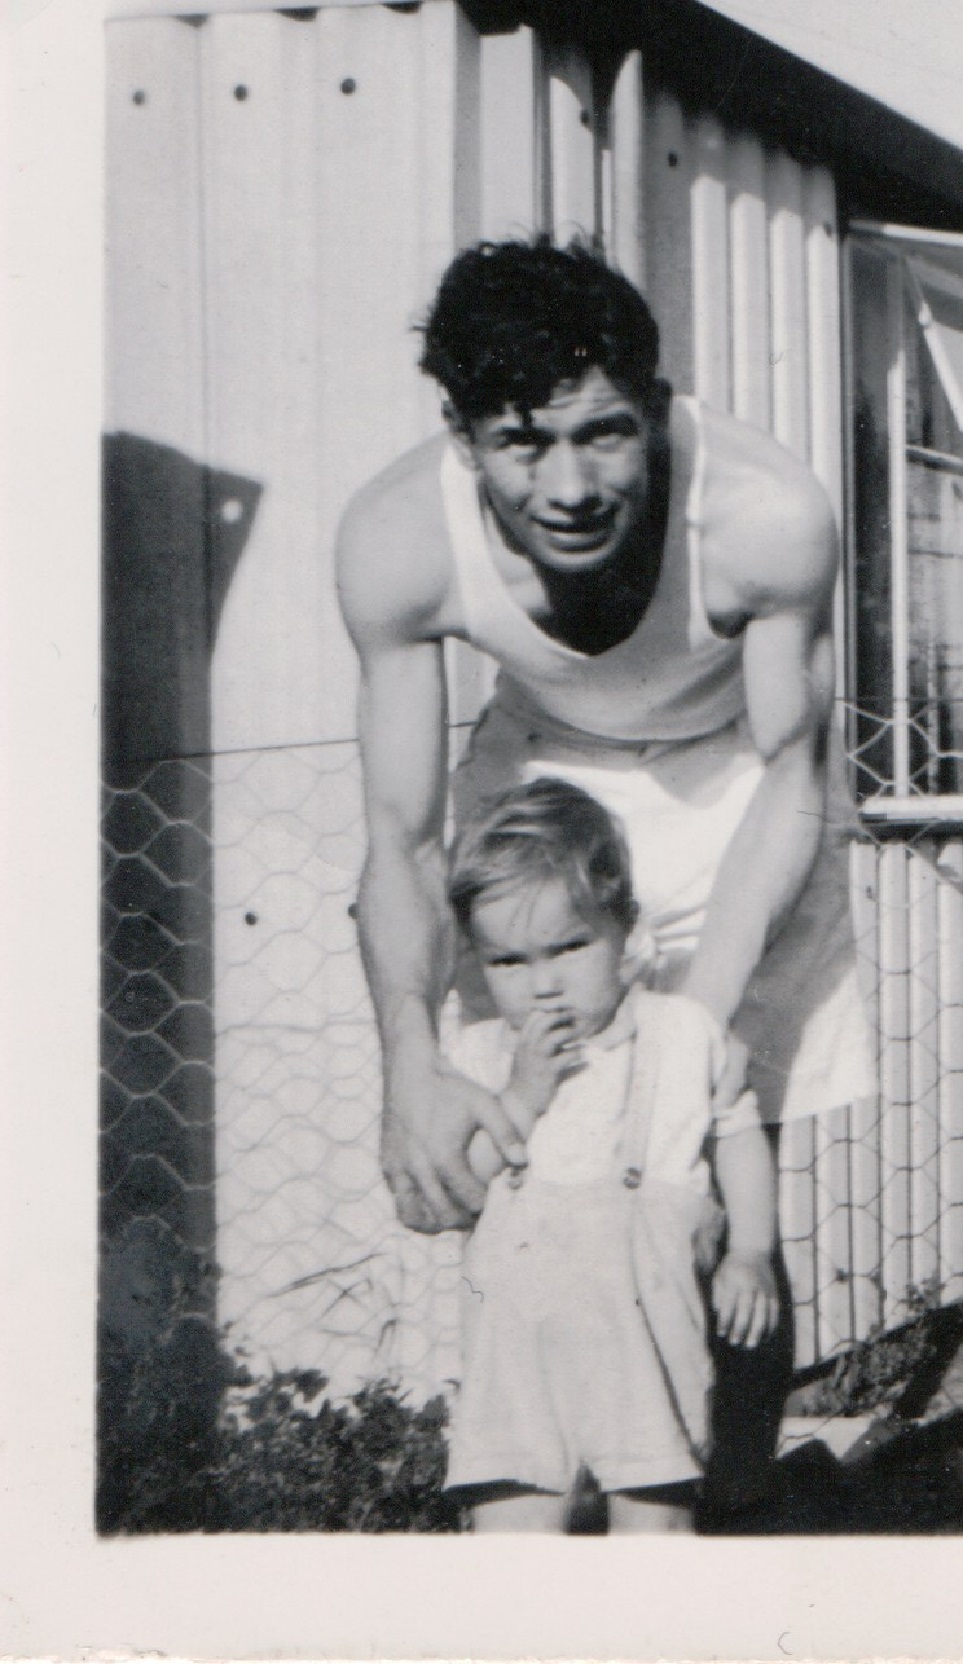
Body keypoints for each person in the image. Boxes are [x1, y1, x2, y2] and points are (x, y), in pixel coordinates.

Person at [337, 237, 870, 1516]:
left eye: (607, 435)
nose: (572, 485)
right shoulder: (396, 538)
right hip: (542, 779)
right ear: (463, 435)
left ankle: (716, 1517)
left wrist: (698, 1018)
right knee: (539, 1168)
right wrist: (406, 1058)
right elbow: (403, 835)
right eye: (526, 443)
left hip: (741, 787)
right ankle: (543, 1505)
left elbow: (795, 774)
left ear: (657, 403)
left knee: (716, 1175)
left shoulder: (767, 513)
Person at [438, 779, 778, 1533]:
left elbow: (739, 1133)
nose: (545, 985)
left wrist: (750, 1251)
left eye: (570, 947)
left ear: (626, 930)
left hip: (645, 1343)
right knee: (511, 1543)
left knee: (654, 1532)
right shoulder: (479, 1059)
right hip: (518, 1355)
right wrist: (521, 1097)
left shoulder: (680, 1035)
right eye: (510, 963)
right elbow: (459, 1190)